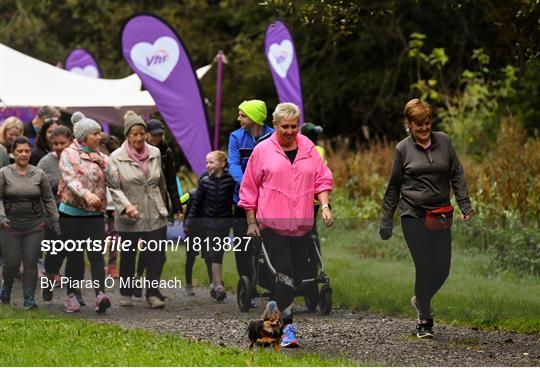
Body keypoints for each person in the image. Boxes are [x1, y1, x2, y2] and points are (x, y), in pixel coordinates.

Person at [238, 102, 333, 348]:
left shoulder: (308, 148)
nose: (290, 131)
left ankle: (273, 309)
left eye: (294, 126)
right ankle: (288, 329)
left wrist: (324, 206)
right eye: (285, 127)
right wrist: (251, 221)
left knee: (299, 277)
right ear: (274, 125)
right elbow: (249, 188)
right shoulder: (262, 151)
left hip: (302, 225)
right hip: (272, 225)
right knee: (286, 273)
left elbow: (322, 179)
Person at [379, 98, 474, 339]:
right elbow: (394, 186)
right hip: (412, 213)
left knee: (442, 268)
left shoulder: (444, 141)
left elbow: (457, 173)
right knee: (425, 266)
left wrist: (464, 203)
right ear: (408, 124)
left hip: (440, 212)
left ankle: (419, 299)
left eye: (427, 123)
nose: (424, 129)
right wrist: (387, 220)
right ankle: (425, 319)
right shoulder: (403, 149)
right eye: (418, 124)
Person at [108, 112, 169, 309]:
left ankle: (152, 294)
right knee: (128, 254)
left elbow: (161, 182)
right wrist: (126, 206)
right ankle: (126, 293)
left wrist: (165, 207)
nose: (139, 138)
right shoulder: (116, 157)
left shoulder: (155, 153)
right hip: (129, 211)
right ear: (127, 135)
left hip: (153, 209)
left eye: (142, 133)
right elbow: (113, 186)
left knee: (156, 253)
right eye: (134, 134)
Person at [58, 112, 110, 314]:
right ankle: (71, 295)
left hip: (95, 215)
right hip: (71, 214)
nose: (100, 137)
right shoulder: (68, 154)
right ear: (84, 136)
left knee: (97, 255)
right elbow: (70, 179)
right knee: (75, 256)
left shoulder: (101, 156)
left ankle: (100, 295)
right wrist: (85, 194)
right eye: (96, 133)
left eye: (100, 133)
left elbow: (115, 178)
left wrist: (104, 163)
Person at [0, 136, 60, 309]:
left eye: (27, 151)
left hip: (34, 225)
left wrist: (55, 220)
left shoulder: (38, 174)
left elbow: (48, 199)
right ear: (13, 153)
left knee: (31, 262)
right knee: (11, 263)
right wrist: (2, 218)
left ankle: (29, 298)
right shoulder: (4, 173)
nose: (24, 154)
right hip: (9, 225)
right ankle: (6, 286)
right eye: (20, 151)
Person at [227, 100, 274, 301]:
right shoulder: (236, 137)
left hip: (270, 200)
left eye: (243, 115)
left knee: (271, 244)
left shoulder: (273, 136)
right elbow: (234, 164)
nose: (239, 118)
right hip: (242, 200)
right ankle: (248, 285)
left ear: (254, 117)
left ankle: (271, 283)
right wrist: (248, 184)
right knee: (243, 244)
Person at [38, 126, 83, 304]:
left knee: (76, 255)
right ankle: (49, 280)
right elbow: (38, 190)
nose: (58, 147)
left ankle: (74, 292)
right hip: (54, 217)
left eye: (62, 143)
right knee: (55, 256)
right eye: (55, 143)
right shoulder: (45, 163)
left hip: (76, 216)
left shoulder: (79, 159)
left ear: (71, 141)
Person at [184, 150, 235, 301]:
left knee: (219, 252)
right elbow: (196, 205)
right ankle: (218, 285)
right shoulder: (204, 182)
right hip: (208, 224)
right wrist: (189, 222)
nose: (207, 165)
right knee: (214, 253)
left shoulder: (231, 181)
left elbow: (237, 198)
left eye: (211, 162)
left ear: (222, 164)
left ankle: (215, 282)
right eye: (206, 162)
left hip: (225, 223)